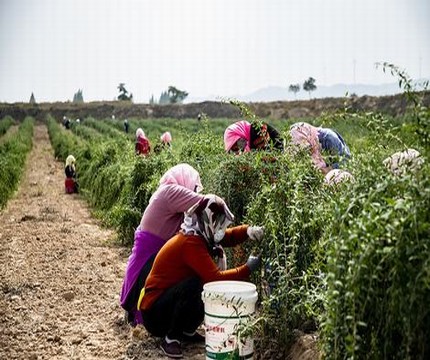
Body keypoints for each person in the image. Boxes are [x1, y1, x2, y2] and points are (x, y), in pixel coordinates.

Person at [137, 194, 264, 358]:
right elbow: (216, 279)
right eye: (217, 222)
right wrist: (247, 269)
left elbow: (227, 236)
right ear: (207, 219)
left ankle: (187, 331)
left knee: (199, 285)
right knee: (196, 284)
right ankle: (171, 338)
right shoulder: (190, 242)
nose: (219, 228)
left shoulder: (200, 233)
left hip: (163, 304)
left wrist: (248, 231)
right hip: (154, 314)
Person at [120, 163, 205, 326]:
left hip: (145, 261)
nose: (192, 192)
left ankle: (140, 316)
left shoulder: (165, 194)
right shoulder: (171, 192)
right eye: (192, 187)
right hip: (149, 263)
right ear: (185, 181)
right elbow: (205, 202)